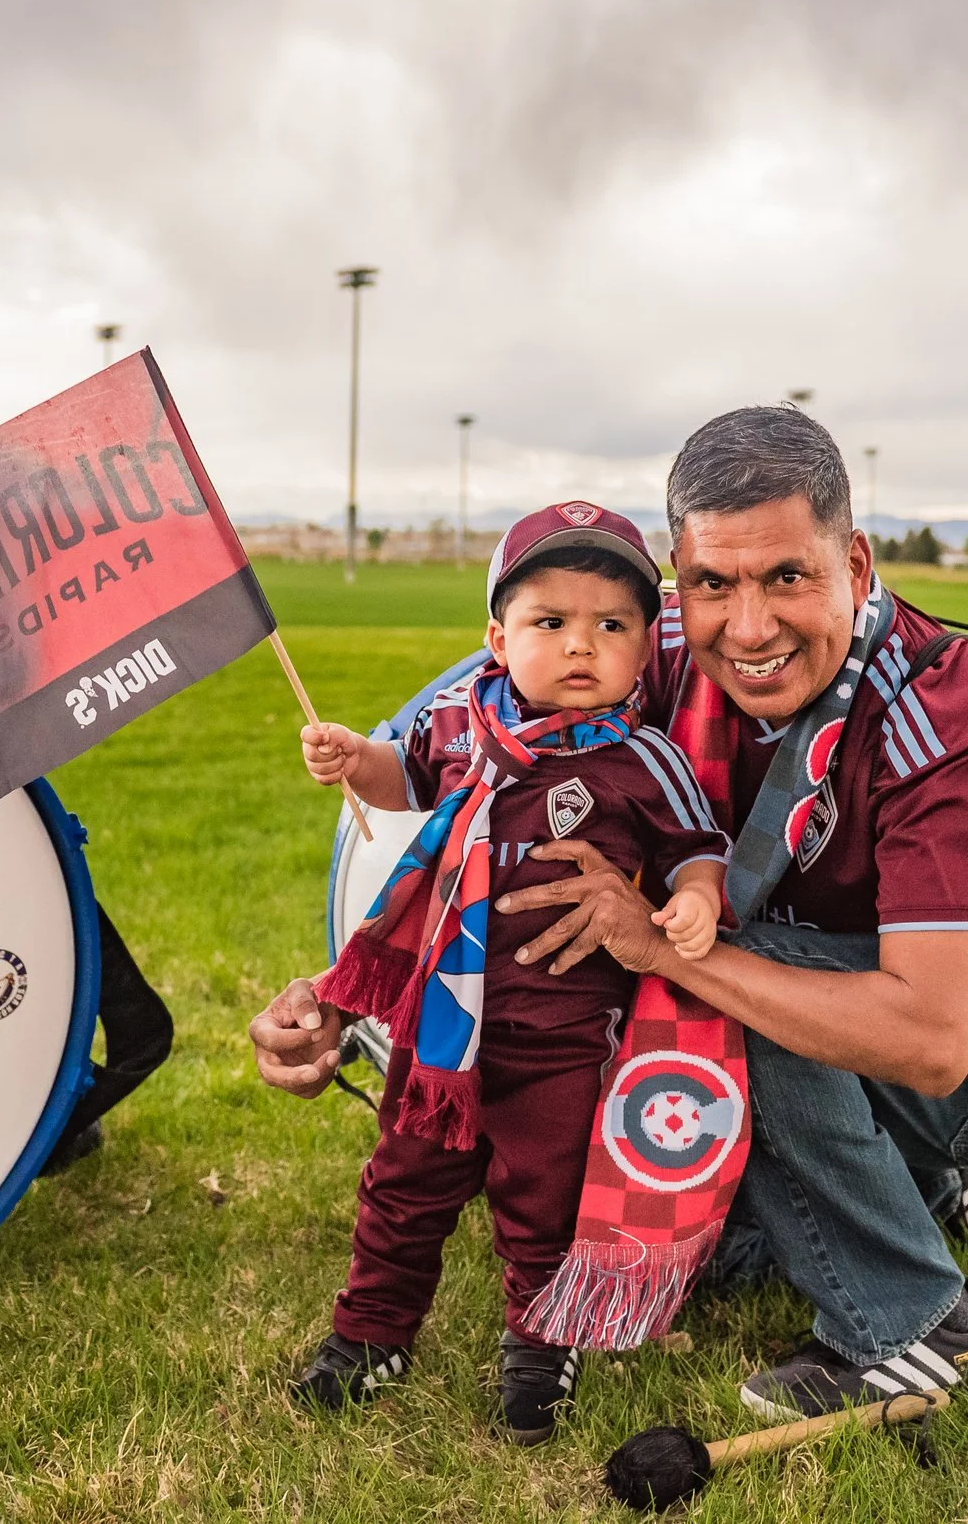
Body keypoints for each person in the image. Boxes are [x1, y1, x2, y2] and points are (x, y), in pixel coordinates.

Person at [253, 405, 968, 1424]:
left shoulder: (945, 711)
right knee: (672, 1208)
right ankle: (926, 1181)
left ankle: (918, 1324)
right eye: (713, 583)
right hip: (826, 972)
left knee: (726, 979)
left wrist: (658, 948)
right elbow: (467, 799)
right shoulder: (631, 641)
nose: (748, 628)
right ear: (676, 579)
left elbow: (933, 1041)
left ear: (854, 564)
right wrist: (339, 1000)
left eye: (787, 577)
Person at [287, 502, 730, 1444]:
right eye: (550, 621)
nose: (581, 645)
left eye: (612, 625)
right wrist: (354, 757)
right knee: (405, 1182)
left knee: (546, 1199)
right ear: (497, 637)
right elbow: (402, 778)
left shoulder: (643, 759)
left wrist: (694, 895)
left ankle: (539, 1343)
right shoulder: (457, 723)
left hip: (564, 1032)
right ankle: (371, 1332)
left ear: (647, 648)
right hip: (442, 1023)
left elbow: (696, 847)